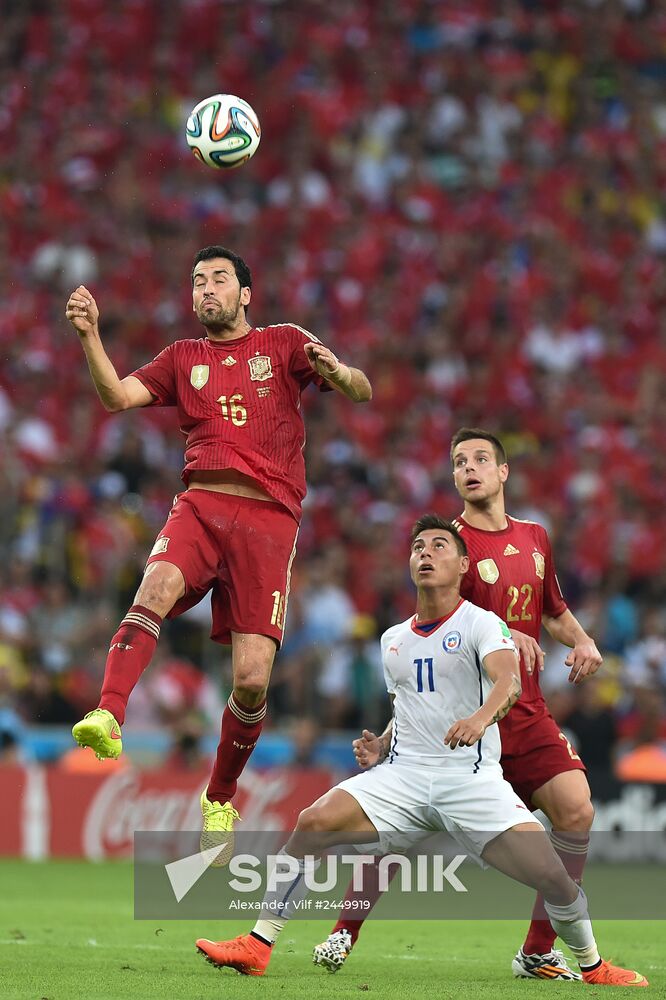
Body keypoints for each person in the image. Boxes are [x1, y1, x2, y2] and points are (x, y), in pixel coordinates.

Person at [195, 517, 646, 988]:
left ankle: (593, 966)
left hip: (468, 781)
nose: (425, 554)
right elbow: (409, 707)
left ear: (463, 564)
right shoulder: (393, 640)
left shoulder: (483, 622)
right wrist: (382, 745)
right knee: (312, 822)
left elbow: (509, 681)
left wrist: (480, 718)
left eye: (438, 547)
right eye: (417, 548)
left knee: (555, 880)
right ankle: (258, 944)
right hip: (405, 778)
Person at [64, 245, 372, 856]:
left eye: (219, 279)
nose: (206, 289)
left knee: (253, 682)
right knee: (152, 589)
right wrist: (91, 336)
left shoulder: (284, 342)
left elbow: (361, 390)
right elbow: (116, 398)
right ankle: (109, 715)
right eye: (198, 281)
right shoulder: (182, 358)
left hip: (269, 521)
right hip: (201, 503)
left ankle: (220, 796)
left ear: (245, 293)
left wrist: (335, 371)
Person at [316, 427, 603, 980]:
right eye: (457, 462)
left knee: (577, 811)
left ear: (502, 473)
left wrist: (583, 640)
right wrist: (502, 635)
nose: (467, 468)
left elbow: (552, 609)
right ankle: (344, 931)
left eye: (479, 459)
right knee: (397, 831)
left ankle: (539, 951)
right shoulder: (450, 546)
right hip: (463, 722)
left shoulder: (536, 537)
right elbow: (431, 641)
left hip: (528, 710)